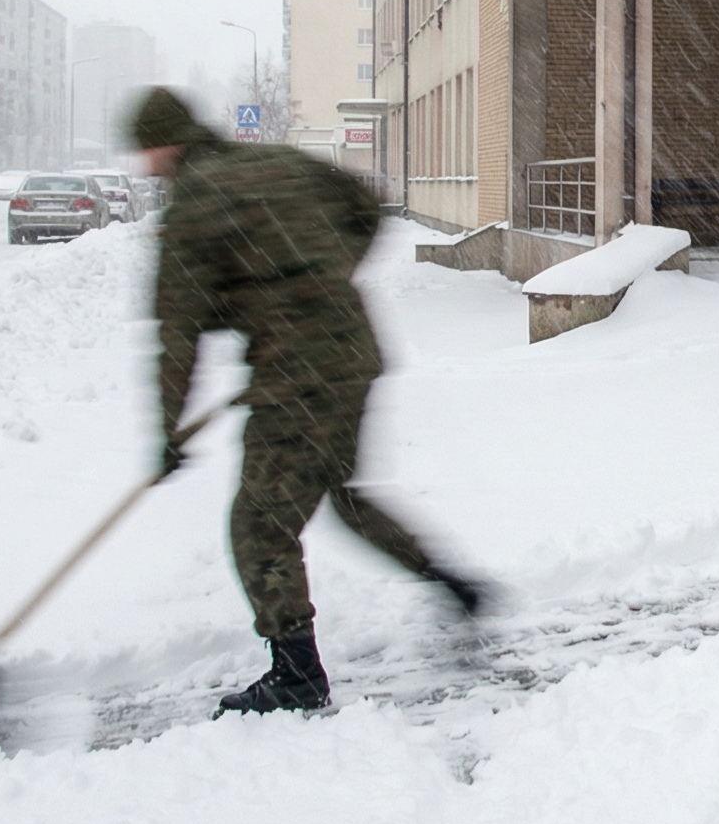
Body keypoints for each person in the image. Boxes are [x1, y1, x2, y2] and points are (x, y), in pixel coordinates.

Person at [130, 86, 487, 715]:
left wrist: (168, 430)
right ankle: (456, 587)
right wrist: (318, 282)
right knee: (346, 497)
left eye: (144, 150)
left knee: (260, 527)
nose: (141, 165)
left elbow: (176, 333)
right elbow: (367, 206)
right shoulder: (277, 163)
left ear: (165, 144)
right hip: (350, 353)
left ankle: (297, 676)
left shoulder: (192, 207)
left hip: (296, 380)